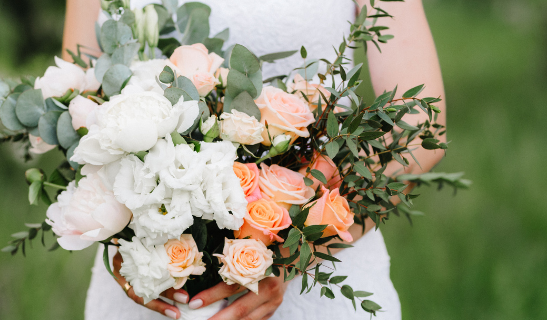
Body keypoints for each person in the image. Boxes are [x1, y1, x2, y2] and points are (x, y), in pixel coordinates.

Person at [62, 0, 446, 319]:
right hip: (147, 289)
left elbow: (420, 131)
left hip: (307, 287)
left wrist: (292, 254)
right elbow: (78, 108)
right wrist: (120, 238)